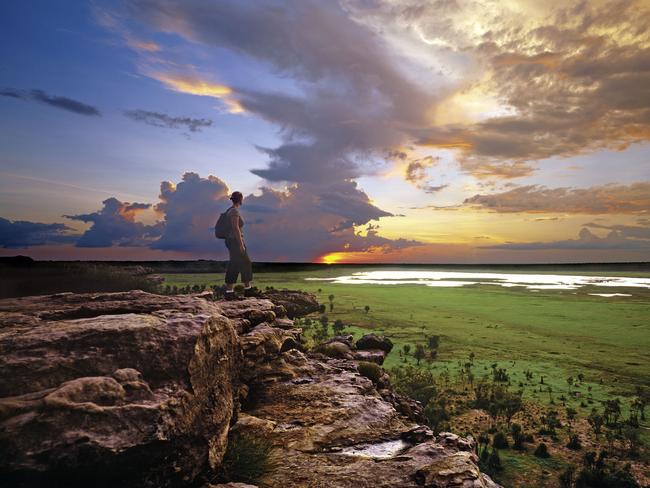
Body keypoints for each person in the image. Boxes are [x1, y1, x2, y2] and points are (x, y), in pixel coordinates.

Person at [223, 191, 254, 300]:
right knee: (238, 264)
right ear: (240, 199)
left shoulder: (230, 210)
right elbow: (235, 228)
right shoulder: (234, 211)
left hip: (232, 240)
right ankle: (230, 292)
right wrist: (241, 244)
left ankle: (245, 290)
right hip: (235, 241)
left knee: (243, 263)